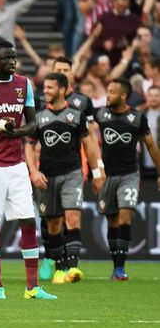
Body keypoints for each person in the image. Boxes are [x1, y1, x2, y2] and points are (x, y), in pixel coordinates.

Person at [0, 40, 57, 300]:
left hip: (16, 166)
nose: (12, 62)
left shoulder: (24, 84)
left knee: (28, 221)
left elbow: (32, 124)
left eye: (14, 57)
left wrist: (15, 132)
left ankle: (32, 287)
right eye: (6, 58)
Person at [25, 72, 104, 286]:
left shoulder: (76, 115)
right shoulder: (39, 116)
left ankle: (73, 268)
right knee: (53, 224)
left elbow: (89, 145)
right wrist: (33, 171)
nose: (45, 91)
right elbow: (29, 146)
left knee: (72, 219)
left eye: (50, 88)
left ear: (61, 89)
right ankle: (59, 269)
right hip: (47, 175)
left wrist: (97, 173)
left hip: (72, 173)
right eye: (45, 88)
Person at [94, 78, 160, 280]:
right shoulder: (100, 114)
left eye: (112, 92)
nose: (108, 95)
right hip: (108, 176)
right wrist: (96, 170)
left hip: (130, 175)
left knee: (125, 216)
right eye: (108, 91)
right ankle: (116, 267)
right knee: (112, 221)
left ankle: (121, 269)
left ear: (123, 96)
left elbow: (151, 146)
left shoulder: (137, 118)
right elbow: (86, 135)